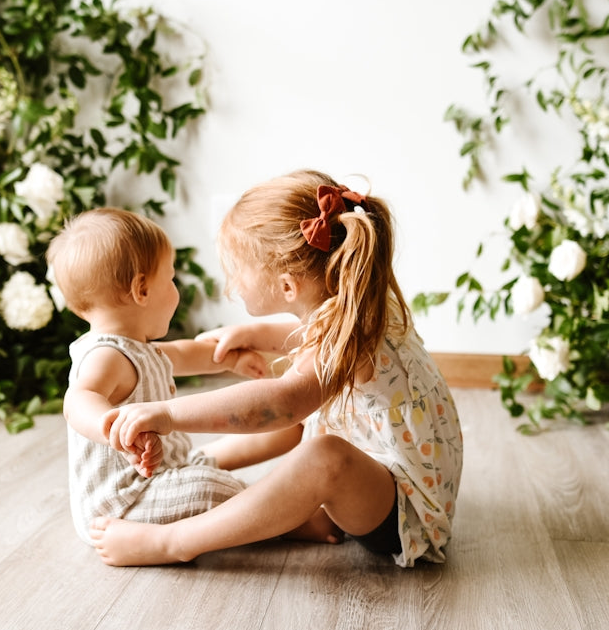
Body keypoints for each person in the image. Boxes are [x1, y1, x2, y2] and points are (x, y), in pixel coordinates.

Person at [96, 170, 464, 567]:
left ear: (288, 287)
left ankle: (175, 542)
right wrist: (252, 333)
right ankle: (196, 466)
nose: (231, 282)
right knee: (310, 423)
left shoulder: (348, 333)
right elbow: (307, 333)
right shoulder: (357, 298)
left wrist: (169, 414)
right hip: (393, 478)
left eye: (237, 269)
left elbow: (283, 403)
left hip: (402, 513)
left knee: (322, 454)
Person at [48, 207, 287, 548]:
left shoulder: (137, 348)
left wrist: (231, 359)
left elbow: (185, 353)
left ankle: (275, 471)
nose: (175, 288)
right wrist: (114, 428)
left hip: (160, 475)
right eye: (171, 278)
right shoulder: (105, 356)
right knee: (211, 488)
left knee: (202, 470)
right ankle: (288, 521)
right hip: (125, 505)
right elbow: (78, 399)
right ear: (142, 290)